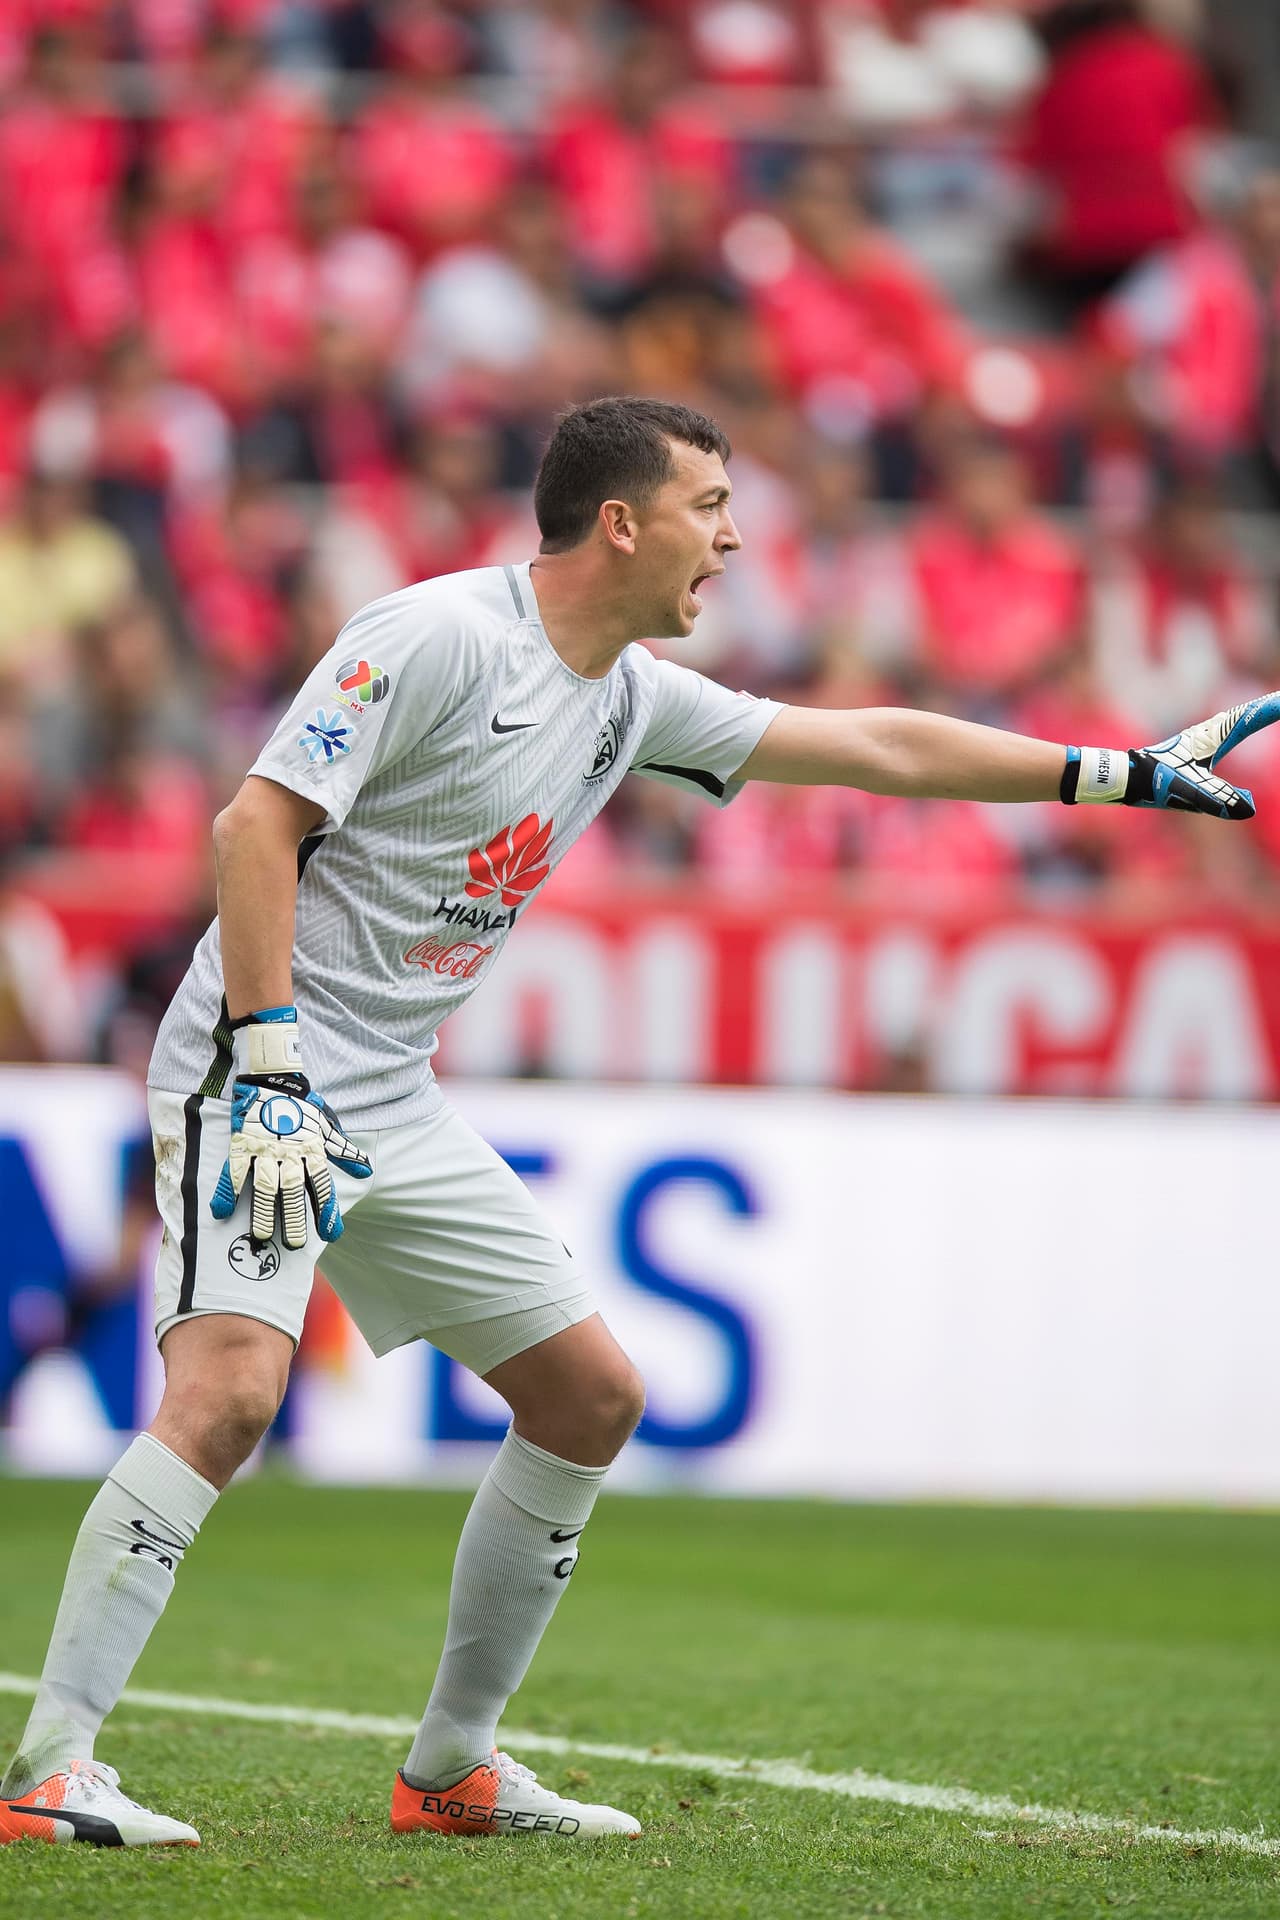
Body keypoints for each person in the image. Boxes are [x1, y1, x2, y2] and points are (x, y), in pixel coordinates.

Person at [2, 395, 1276, 1851]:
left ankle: (453, 1772)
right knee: (230, 1394)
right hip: (262, 1068)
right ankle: (52, 1766)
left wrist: (1108, 770)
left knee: (590, 1398)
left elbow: (881, 751)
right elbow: (251, 828)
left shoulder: (632, 694)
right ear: (622, 522)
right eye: (710, 505)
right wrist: (274, 1059)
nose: (732, 538)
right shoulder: (433, 636)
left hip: (392, 1095)